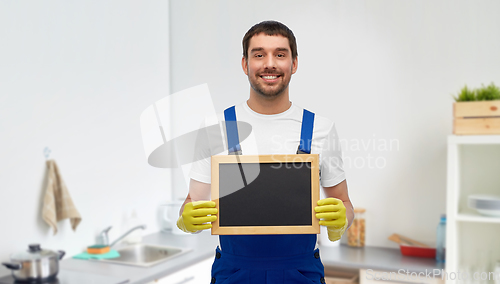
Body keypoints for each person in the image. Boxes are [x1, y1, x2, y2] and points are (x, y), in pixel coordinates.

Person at [177, 20, 354, 284]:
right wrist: (186, 220)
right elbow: (192, 202)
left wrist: (342, 219)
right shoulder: (215, 128)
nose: (269, 64)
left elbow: (345, 203)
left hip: (300, 273)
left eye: (280, 54)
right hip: (235, 273)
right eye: (258, 54)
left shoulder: (321, 129)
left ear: (294, 64)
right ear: (245, 64)